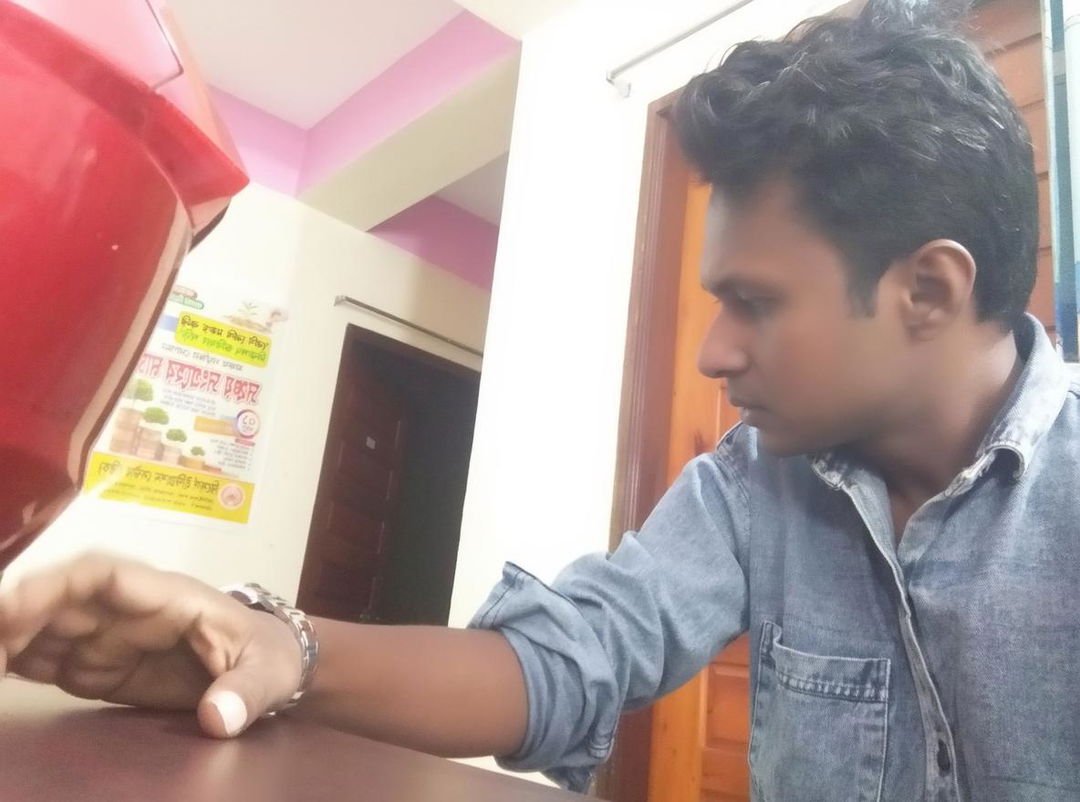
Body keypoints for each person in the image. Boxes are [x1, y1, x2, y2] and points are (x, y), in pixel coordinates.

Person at [1, 0, 1075, 798]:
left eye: (754, 302)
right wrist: (276, 645)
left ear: (927, 290)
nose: (713, 353)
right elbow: (565, 655)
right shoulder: (759, 487)